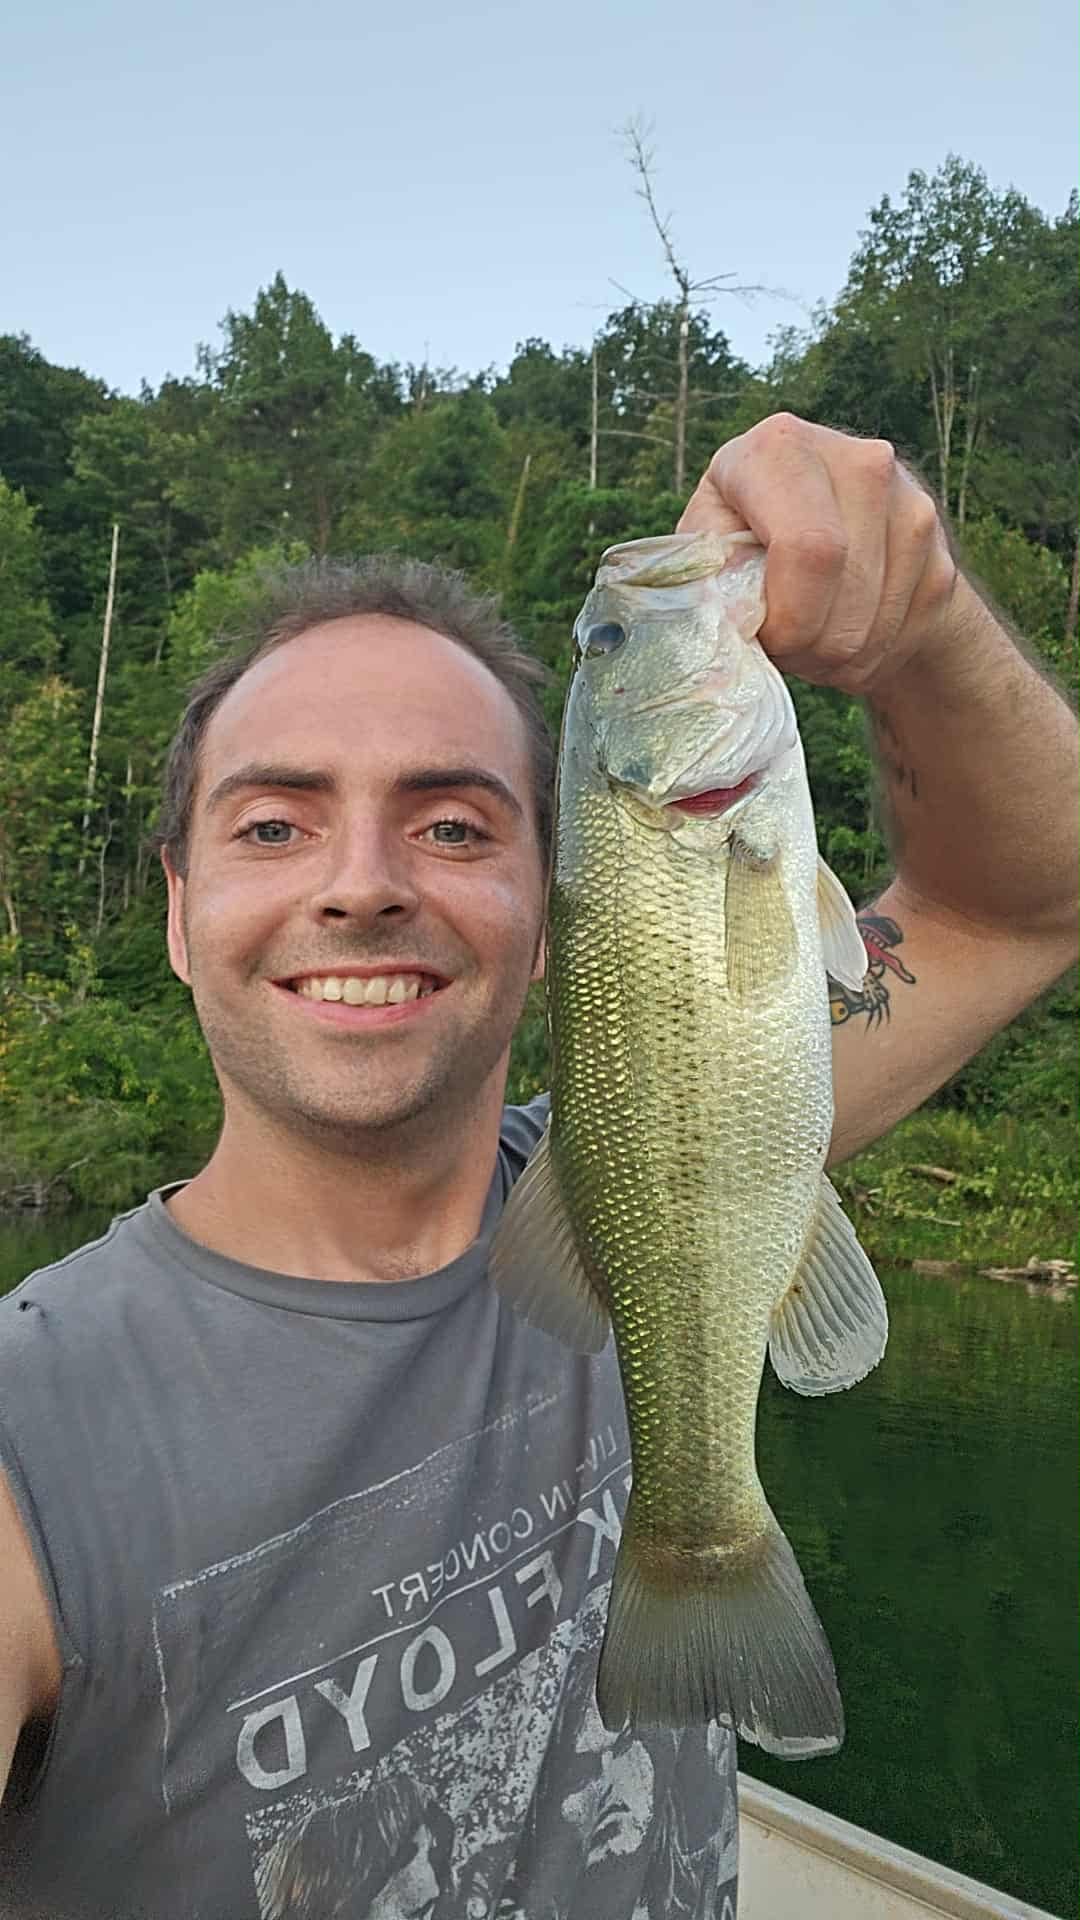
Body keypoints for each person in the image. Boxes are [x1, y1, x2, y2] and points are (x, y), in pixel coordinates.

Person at [0, 415, 1076, 1919]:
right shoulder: (32, 1432)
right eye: (275, 824)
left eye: (453, 825)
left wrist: (929, 623)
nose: (362, 886)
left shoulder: (642, 1151)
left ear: (552, 907)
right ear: (179, 910)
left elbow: (1028, 902)